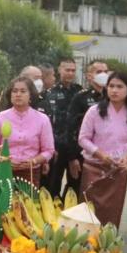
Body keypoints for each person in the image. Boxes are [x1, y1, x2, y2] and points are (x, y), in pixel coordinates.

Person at [77, 71, 127, 228]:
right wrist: (101, 155)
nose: (114, 90)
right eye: (111, 86)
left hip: (118, 168)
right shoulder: (94, 111)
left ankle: (107, 243)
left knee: (112, 211)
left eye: (120, 87)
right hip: (94, 166)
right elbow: (83, 138)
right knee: (88, 209)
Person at [0, 77, 55, 186]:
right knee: (3, 202)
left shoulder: (42, 119)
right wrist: (2, 159)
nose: (18, 94)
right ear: (10, 95)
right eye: (14, 91)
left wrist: (34, 161)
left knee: (27, 203)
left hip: (30, 172)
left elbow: (49, 151)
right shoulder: (0, 117)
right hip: (3, 170)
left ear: (31, 95)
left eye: (23, 91)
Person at [63, 60, 108, 198]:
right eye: (98, 72)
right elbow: (70, 128)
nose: (103, 75)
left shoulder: (112, 97)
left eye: (105, 71)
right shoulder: (80, 98)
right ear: (89, 76)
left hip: (106, 155)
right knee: (76, 190)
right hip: (82, 154)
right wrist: (72, 158)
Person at [43, 57, 81, 196]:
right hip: (56, 147)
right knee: (53, 185)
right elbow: (47, 122)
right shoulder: (49, 93)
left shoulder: (80, 92)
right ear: (59, 70)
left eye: (73, 70)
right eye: (67, 70)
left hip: (74, 147)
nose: (70, 73)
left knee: (75, 185)